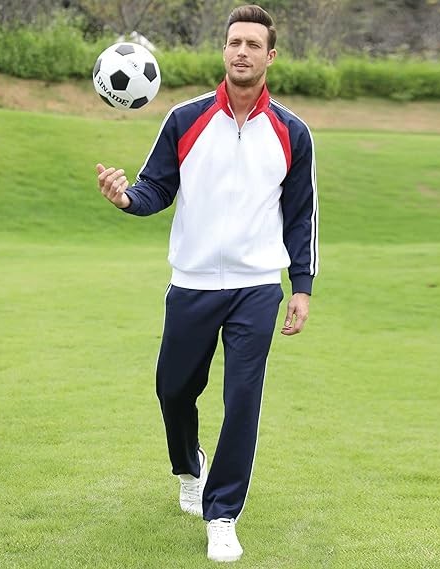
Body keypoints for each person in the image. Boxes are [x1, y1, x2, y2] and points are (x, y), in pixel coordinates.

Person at [95, 4, 318, 563]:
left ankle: (222, 515)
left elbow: (301, 216)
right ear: (224, 50)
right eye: (234, 42)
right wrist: (126, 198)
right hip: (192, 283)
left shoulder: (292, 132)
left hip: (256, 287)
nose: (242, 51)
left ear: (270, 55)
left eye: (252, 44)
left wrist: (302, 285)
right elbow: (155, 187)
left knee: (242, 399)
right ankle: (188, 466)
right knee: (173, 390)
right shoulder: (185, 119)